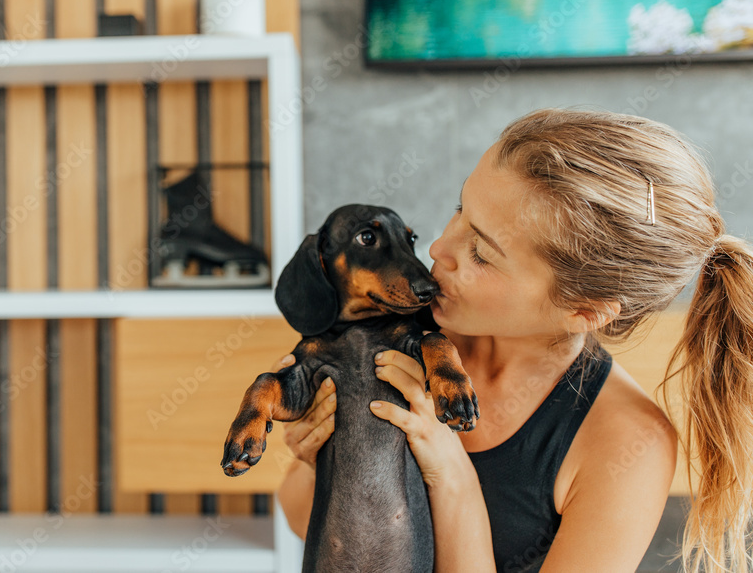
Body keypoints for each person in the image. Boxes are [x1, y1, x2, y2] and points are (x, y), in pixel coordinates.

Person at [274, 108, 753, 573]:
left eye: (481, 252)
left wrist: (450, 473)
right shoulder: (404, 334)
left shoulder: (628, 445)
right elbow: (300, 515)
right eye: (460, 208)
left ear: (582, 310)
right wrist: (318, 458)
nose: (439, 249)